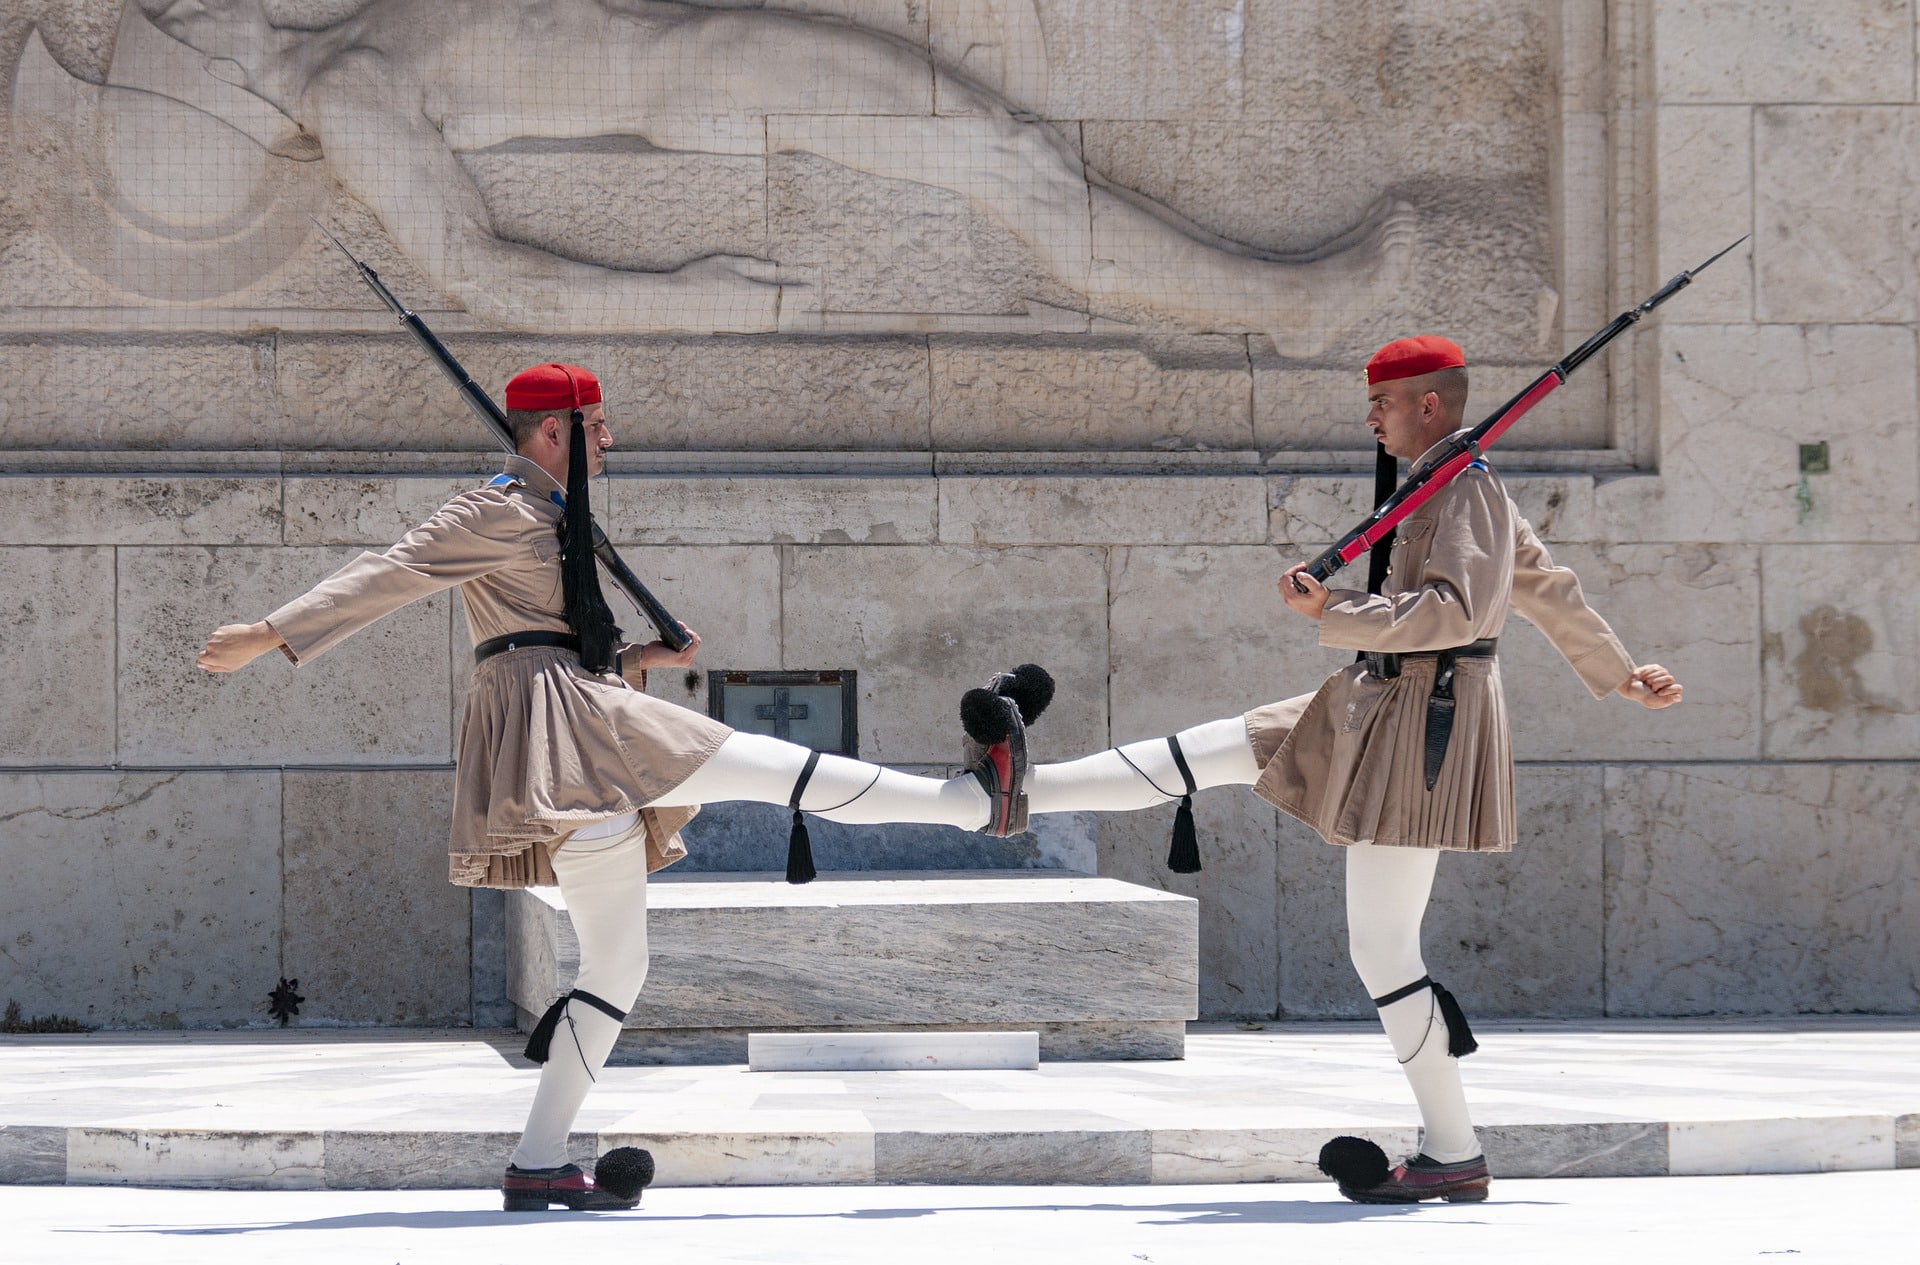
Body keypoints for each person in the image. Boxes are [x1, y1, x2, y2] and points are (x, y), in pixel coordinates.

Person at [198, 361, 1040, 1210]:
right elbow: (393, 569)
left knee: (618, 963)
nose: (610, 438)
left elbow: (550, 632)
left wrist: (639, 659)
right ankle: (970, 803)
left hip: (573, 722)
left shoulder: (552, 513)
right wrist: (272, 633)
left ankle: (538, 1160)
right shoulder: (495, 505)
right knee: (759, 761)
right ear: (554, 430)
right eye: (596, 424)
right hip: (568, 727)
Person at [991, 335, 1683, 1204]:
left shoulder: (1466, 484)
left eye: (1382, 403)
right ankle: (1024, 786)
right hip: (1373, 698)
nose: (1371, 417)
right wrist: (1619, 671)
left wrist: (1338, 606)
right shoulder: (1454, 478)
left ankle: (1454, 1149)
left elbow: (1461, 609)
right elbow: (1546, 584)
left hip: (1423, 722)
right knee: (1213, 747)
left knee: (1384, 947)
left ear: (1427, 403)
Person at [136, 0, 1412, 349]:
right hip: (721, 73)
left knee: (1009, 159)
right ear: (217, 85)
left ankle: (1271, 301)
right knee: (1015, 167)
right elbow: (484, 276)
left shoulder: (350, 35)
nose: (191, 11)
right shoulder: (349, 95)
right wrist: (698, 297)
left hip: (721, 50)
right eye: (176, 29)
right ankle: (1282, 306)